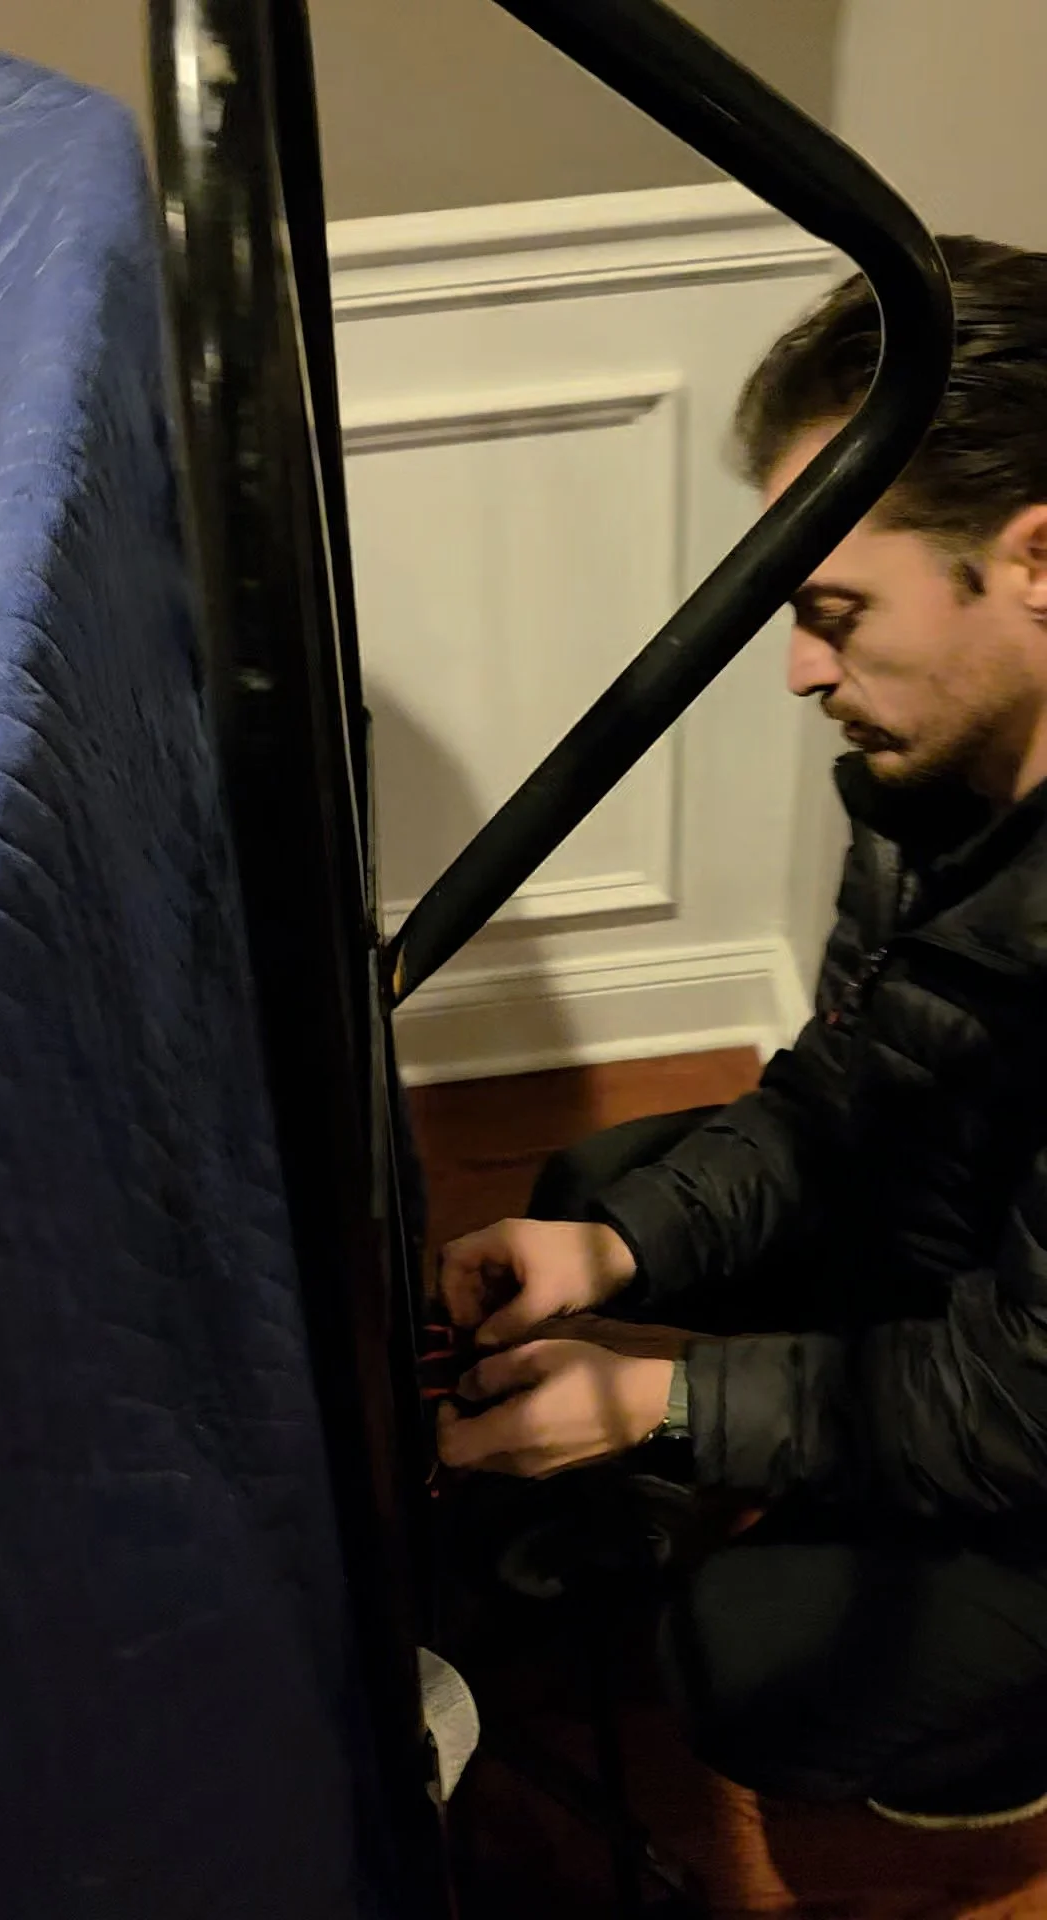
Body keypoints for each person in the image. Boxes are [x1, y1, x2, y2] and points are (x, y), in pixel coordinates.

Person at [434, 236, 1047, 1821]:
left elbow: (1022, 1404)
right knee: (584, 1202)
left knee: (750, 1664)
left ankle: (1009, 1742)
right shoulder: (942, 777)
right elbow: (848, 1084)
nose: (797, 670)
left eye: (836, 611)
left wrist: (664, 1399)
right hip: (974, 1277)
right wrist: (624, 1258)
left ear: (1038, 562)